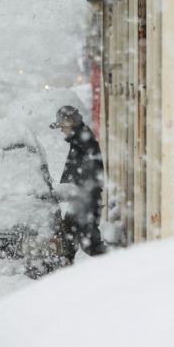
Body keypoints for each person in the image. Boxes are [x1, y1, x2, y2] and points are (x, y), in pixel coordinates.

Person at [50, 105, 107, 260]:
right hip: (81, 198)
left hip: (85, 199)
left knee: (89, 243)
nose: (62, 130)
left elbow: (91, 170)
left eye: (62, 126)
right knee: (68, 236)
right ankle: (66, 270)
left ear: (70, 123)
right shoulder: (79, 139)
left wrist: (80, 191)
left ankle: (113, 268)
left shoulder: (83, 140)